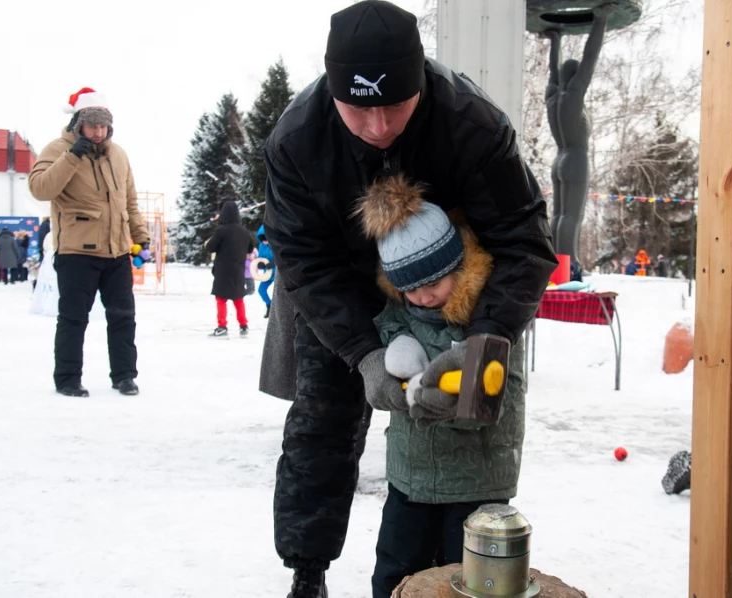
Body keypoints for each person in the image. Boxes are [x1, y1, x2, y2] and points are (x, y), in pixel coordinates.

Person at [260, 2, 556, 595]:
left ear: (420, 79)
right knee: (322, 422)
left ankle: (457, 562)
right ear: (331, 87)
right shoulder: (295, 140)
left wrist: (484, 340)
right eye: (358, 108)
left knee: (462, 417)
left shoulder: (471, 124)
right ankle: (306, 570)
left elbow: (525, 243)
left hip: (446, 288)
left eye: (394, 105)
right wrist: (363, 351)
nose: (377, 127)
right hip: (339, 287)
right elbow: (306, 263)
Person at [354, 175, 527, 596]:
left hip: (477, 484)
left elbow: (503, 397)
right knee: (396, 571)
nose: (424, 297)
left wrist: (458, 401)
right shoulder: (397, 317)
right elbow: (387, 362)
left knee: (466, 579)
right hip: (410, 478)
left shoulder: (490, 320)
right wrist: (386, 369)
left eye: (433, 283)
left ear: (458, 267)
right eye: (410, 288)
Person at [28, 87, 150, 397]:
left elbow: (130, 201)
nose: (97, 132)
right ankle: (68, 379)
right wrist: (73, 156)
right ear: (77, 125)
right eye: (91, 125)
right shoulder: (58, 150)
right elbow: (41, 188)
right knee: (73, 319)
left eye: (103, 126)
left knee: (123, 317)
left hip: (117, 252)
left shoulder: (118, 154)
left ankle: (124, 376)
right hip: (76, 252)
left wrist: (141, 237)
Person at [544, 4, 614, 265]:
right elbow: (590, 59)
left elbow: (553, 71)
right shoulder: (574, 95)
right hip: (575, 159)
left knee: (559, 215)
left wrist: (555, 39)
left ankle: (557, 265)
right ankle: (570, 263)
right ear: (574, 78)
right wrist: (600, 21)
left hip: (559, 159)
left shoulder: (553, 97)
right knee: (572, 215)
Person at [206, 200, 255, 338]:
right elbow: (250, 248)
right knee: (238, 299)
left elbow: (211, 247)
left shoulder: (221, 230)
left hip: (222, 270)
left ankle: (222, 326)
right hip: (238, 269)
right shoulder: (244, 231)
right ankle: (243, 325)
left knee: (221, 299)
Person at [255, 224, 276, 319]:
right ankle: (269, 305)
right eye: (262, 239)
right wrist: (260, 264)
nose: (265, 241)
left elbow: (281, 257)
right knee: (261, 290)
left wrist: (273, 263)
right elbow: (260, 258)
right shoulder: (261, 246)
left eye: (266, 239)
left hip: (277, 274)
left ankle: (277, 310)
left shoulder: (276, 245)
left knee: (278, 292)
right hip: (267, 274)